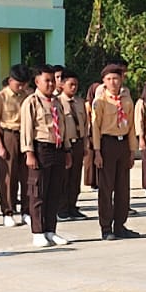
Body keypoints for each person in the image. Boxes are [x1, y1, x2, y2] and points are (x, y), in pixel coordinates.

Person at [21, 65, 76, 249]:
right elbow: (27, 129)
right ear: (37, 82)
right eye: (47, 80)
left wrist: (67, 150)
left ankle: (50, 230)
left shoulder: (57, 102)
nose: (51, 84)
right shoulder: (31, 101)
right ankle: (37, 232)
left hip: (58, 148)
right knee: (38, 192)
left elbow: (64, 127)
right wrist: (29, 153)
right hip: (41, 148)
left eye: (53, 80)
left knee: (54, 192)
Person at [91, 65, 139, 241]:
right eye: (109, 79)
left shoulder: (127, 101)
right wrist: (97, 152)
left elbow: (132, 127)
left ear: (121, 80)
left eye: (116, 79)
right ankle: (106, 227)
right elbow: (95, 128)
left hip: (123, 144)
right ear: (104, 81)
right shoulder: (100, 101)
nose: (113, 82)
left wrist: (132, 150)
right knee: (106, 188)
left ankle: (120, 225)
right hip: (107, 144)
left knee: (123, 188)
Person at [0, 65, 31, 229]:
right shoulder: (0, 97)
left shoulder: (27, 96)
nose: (21, 87)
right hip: (8, 135)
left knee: (27, 176)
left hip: (25, 136)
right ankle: (7, 212)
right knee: (8, 176)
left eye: (23, 84)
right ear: (10, 80)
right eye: (18, 84)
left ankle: (26, 211)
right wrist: (0, 145)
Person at [58, 73, 90, 221]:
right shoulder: (58, 102)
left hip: (78, 142)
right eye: (70, 84)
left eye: (76, 85)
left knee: (75, 177)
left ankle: (72, 206)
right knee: (63, 178)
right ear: (62, 84)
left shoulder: (80, 102)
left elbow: (85, 124)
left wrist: (86, 144)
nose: (74, 87)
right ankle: (62, 208)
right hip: (65, 143)